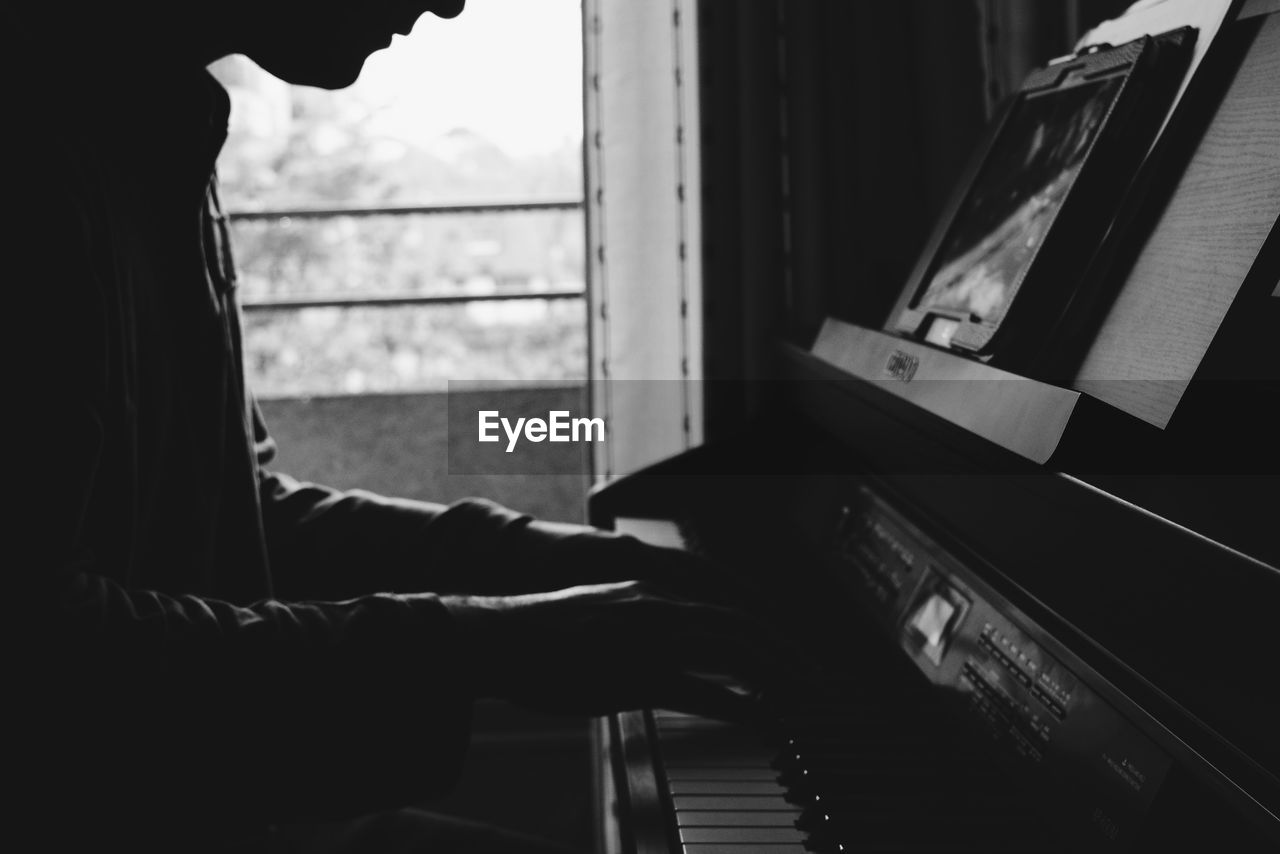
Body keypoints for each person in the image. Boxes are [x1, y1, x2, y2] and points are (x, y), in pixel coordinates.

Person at [4, 1, 783, 850]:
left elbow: (236, 514)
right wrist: (488, 639)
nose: (451, 0)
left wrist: (532, 564)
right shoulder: (32, 159)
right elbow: (42, 650)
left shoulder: (147, 118)